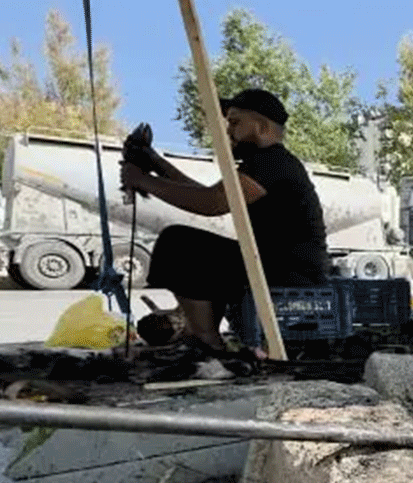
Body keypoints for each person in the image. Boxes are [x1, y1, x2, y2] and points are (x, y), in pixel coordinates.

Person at [119, 88, 329, 355]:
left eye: (235, 122)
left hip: (293, 274)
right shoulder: (268, 163)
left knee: (179, 243)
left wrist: (141, 179)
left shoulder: (272, 163)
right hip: (276, 266)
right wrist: (157, 164)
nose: (228, 130)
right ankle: (202, 334)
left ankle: (204, 338)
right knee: (197, 248)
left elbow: (212, 202)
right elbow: (207, 194)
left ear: (262, 126)